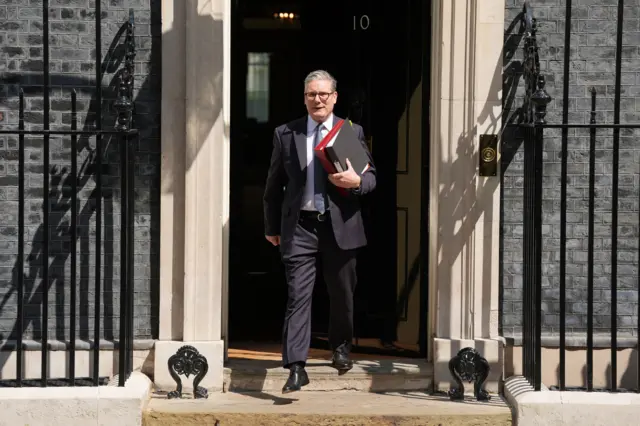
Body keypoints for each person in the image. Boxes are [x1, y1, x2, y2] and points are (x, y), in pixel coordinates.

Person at [263, 70, 377, 393]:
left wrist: (357, 184)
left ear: (335, 98)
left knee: (342, 292)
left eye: (324, 94)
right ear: (305, 98)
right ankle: (296, 366)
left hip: (340, 227)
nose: (318, 100)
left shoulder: (351, 133)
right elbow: (273, 186)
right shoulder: (286, 133)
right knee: (298, 295)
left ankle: (341, 348)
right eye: (312, 94)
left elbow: (371, 178)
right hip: (300, 227)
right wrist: (272, 227)